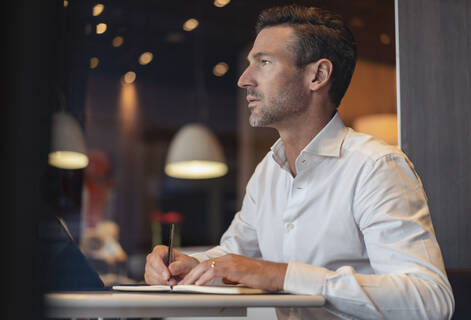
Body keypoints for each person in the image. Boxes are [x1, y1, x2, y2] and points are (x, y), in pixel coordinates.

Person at [145, 5, 454, 319]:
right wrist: (190, 266)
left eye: (263, 62)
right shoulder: (268, 172)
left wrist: (283, 276)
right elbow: (236, 257)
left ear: (317, 75)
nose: (244, 79)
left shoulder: (375, 166)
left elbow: (429, 300)